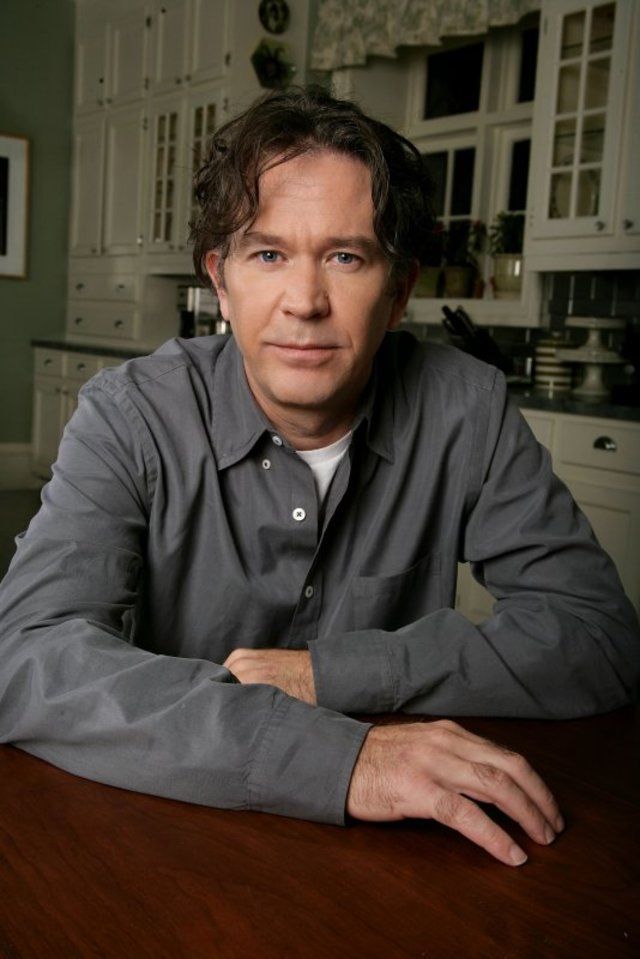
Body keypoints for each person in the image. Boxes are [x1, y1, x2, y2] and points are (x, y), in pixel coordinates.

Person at [0, 88, 638, 868]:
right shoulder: (131, 415)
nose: (304, 302)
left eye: (346, 257)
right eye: (268, 254)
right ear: (221, 282)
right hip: (166, 831)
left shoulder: (465, 409)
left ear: (398, 291)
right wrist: (345, 757)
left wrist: (333, 675)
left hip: (389, 859)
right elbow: (27, 656)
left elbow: (599, 637)